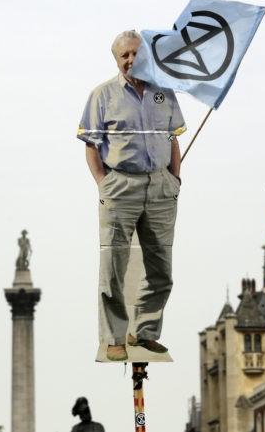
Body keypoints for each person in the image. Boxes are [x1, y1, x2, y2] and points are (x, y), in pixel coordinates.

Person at [77, 30, 186, 361]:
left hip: (160, 188)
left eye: (135, 53)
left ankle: (146, 331)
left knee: (161, 268)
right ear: (116, 59)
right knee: (113, 266)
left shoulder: (162, 93)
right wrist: (103, 184)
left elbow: (172, 138)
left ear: (145, 56)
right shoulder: (102, 95)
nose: (130, 60)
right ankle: (113, 337)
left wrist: (174, 180)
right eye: (124, 55)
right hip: (120, 186)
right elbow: (91, 145)